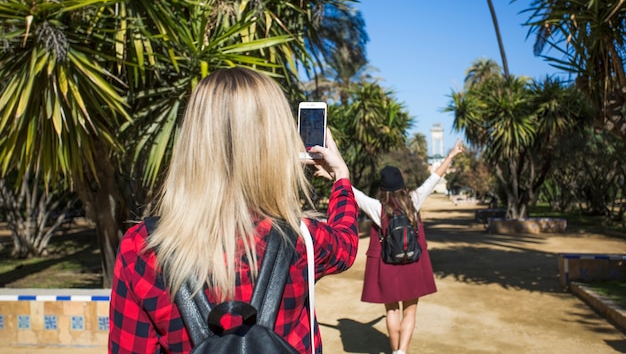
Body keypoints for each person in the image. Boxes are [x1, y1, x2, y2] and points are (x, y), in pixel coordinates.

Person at [108, 67, 359, 354]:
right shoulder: (302, 240)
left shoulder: (141, 247)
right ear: (274, 144)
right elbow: (347, 244)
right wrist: (341, 177)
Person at [318, 140, 463, 354]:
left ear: (383, 187)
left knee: (392, 313)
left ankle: (396, 351)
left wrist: (331, 174)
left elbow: (352, 191)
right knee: (410, 313)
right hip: (413, 263)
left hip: (388, 265)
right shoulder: (414, 199)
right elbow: (434, 178)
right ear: (402, 184)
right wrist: (451, 155)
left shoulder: (378, 207)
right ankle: (402, 351)